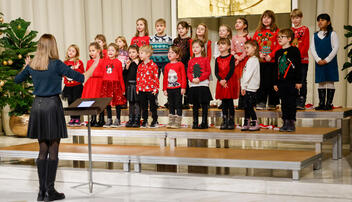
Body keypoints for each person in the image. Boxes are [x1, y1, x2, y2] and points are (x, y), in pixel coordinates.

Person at [14, 34, 100, 201]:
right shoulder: (56, 64)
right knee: (53, 150)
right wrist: (95, 63)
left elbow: (17, 79)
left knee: (42, 150)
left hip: (38, 107)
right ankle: (50, 191)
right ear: (53, 46)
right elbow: (82, 77)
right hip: (52, 106)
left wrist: (26, 67)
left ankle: (41, 192)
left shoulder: (33, 65)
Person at [274, 29, 302, 132]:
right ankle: (285, 121)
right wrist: (275, 82)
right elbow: (276, 68)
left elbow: (298, 67)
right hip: (281, 82)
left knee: (291, 102)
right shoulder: (278, 53)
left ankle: (291, 122)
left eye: (282, 37)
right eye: (278, 37)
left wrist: (299, 81)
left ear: (289, 39)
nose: (279, 39)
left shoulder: (295, 50)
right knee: (284, 103)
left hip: (292, 82)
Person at [253, 10, 281, 110]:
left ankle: (273, 103)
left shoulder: (277, 31)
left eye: (268, 17)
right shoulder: (258, 32)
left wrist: (271, 55)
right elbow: (254, 45)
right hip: (261, 61)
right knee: (261, 82)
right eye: (264, 17)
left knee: (272, 82)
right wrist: (259, 54)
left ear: (272, 19)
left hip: (272, 61)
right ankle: (261, 101)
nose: (266, 19)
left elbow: (279, 45)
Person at [310, 13, 339, 110]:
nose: (320, 22)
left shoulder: (332, 34)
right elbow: (312, 48)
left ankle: (329, 103)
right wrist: (318, 59)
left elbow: (335, 48)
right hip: (319, 62)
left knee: (330, 81)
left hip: (330, 62)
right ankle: (321, 103)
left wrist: (326, 60)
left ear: (328, 22)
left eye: (322, 20)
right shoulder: (315, 35)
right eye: (319, 20)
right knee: (321, 81)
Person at [188, 39, 212, 129]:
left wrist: (200, 79)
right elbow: (189, 72)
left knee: (204, 104)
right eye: (193, 47)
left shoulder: (205, 60)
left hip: (203, 84)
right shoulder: (191, 61)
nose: (195, 49)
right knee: (195, 105)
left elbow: (208, 72)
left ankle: (204, 122)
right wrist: (192, 79)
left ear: (202, 48)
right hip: (194, 85)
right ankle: (195, 122)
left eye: (197, 47)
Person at [101, 43, 126, 127]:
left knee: (117, 102)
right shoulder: (104, 62)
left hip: (115, 84)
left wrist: (123, 88)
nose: (110, 52)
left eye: (112, 50)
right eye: (109, 50)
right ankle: (109, 118)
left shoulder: (118, 63)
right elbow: (102, 74)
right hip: (106, 84)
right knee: (107, 103)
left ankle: (118, 119)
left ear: (116, 52)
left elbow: (120, 76)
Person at [81, 42, 105, 127]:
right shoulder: (89, 62)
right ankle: (93, 119)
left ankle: (101, 119)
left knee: (100, 101)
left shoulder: (102, 61)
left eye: (93, 50)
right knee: (92, 102)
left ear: (98, 51)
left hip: (99, 83)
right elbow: (87, 73)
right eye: (90, 51)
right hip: (91, 84)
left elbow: (104, 73)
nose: (91, 53)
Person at [215, 38, 236, 130]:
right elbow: (216, 72)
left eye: (223, 44)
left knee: (229, 102)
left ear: (228, 47)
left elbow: (231, 70)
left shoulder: (231, 57)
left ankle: (231, 121)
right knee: (223, 102)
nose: (220, 46)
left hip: (229, 81)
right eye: (219, 44)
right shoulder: (217, 59)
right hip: (221, 82)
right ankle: (224, 120)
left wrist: (225, 80)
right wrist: (220, 80)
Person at [290, 9, 310, 110]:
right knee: (293, 80)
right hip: (292, 61)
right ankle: (294, 100)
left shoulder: (305, 29)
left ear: (301, 18)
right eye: (293, 18)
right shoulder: (290, 31)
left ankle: (302, 100)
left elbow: (305, 45)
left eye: (297, 18)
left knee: (302, 80)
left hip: (302, 60)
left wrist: (297, 56)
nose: (296, 20)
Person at [163, 45, 186, 129]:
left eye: (172, 53)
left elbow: (183, 76)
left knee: (178, 104)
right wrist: (164, 89)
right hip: (169, 89)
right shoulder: (167, 66)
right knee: (171, 104)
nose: (169, 54)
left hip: (178, 88)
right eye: (169, 52)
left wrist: (183, 87)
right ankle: (171, 120)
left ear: (177, 55)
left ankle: (178, 121)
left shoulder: (180, 65)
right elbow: (165, 78)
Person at [136, 45, 159, 128]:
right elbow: (138, 77)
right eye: (139, 53)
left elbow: (156, 78)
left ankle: (155, 120)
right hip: (142, 89)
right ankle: (145, 121)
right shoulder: (140, 66)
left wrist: (156, 89)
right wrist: (138, 87)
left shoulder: (153, 65)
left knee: (153, 106)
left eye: (141, 53)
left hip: (151, 90)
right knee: (143, 107)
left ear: (148, 54)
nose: (140, 55)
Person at [241, 40, 261, 131]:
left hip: (250, 87)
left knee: (249, 106)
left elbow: (248, 75)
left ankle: (255, 122)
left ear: (254, 48)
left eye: (247, 48)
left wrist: (244, 86)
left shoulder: (253, 60)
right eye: (245, 48)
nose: (246, 50)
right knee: (246, 106)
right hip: (247, 87)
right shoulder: (250, 59)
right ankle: (246, 122)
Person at [62, 44, 84, 126]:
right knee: (70, 102)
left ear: (76, 53)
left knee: (76, 102)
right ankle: (72, 118)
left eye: (73, 51)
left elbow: (82, 74)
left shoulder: (79, 62)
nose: (70, 52)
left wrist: (77, 68)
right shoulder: (65, 63)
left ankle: (77, 118)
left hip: (77, 86)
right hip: (68, 86)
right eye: (69, 50)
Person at [231, 18, 251, 110]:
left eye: (239, 22)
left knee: (244, 80)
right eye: (236, 22)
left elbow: (247, 49)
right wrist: (236, 57)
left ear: (245, 25)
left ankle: (245, 102)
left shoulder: (248, 37)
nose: (237, 24)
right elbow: (232, 49)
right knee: (237, 80)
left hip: (244, 59)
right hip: (236, 60)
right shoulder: (234, 37)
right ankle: (239, 102)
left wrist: (241, 57)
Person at [173, 21, 192, 109]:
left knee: (185, 82)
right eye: (179, 28)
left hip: (185, 64)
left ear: (187, 29)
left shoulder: (189, 40)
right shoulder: (176, 40)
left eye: (182, 28)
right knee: (177, 82)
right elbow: (173, 51)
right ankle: (177, 101)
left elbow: (190, 53)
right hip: (176, 64)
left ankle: (186, 101)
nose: (180, 30)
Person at [213, 24, 232, 109]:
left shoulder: (230, 42)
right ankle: (221, 102)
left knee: (228, 87)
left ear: (228, 33)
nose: (221, 32)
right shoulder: (216, 43)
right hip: (220, 64)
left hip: (228, 65)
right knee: (220, 86)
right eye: (220, 30)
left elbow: (232, 53)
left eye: (223, 30)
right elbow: (215, 55)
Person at [125, 45, 142, 128]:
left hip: (137, 85)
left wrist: (136, 64)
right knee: (131, 103)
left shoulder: (140, 63)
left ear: (138, 53)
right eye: (130, 52)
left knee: (137, 103)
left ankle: (137, 119)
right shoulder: (128, 63)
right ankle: (131, 119)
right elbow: (124, 75)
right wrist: (126, 67)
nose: (131, 54)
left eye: (133, 52)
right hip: (130, 85)